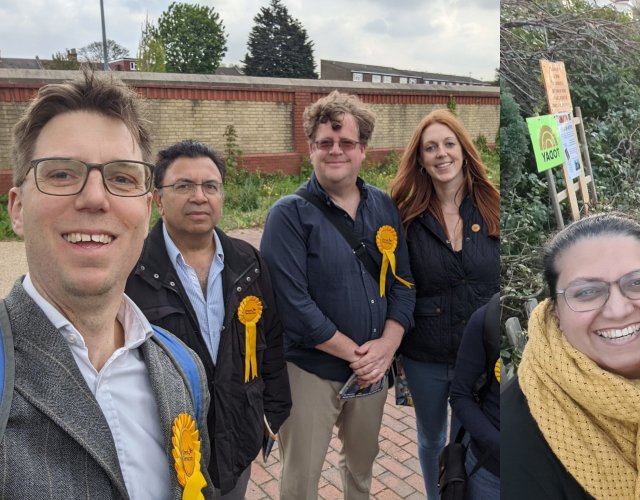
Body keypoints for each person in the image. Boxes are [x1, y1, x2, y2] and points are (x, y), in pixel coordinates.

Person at [2, 72, 212, 498]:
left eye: (122, 177)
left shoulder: (184, 370)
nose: (96, 198)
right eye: (61, 174)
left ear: (147, 210)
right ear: (18, 209)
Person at [478, 213, 640, 500]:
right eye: (587, 292)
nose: (618, 310)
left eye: (638, 282)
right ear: (556, 312)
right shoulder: (517, 434)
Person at [261, 91, 415, 500]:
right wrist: (359, 355)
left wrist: (387, 345)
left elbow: (404, 283)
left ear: (363, 150)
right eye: (325, 143)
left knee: (361, 469)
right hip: (310, 370)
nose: (336, 151)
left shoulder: (383, 206)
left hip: (372, 371)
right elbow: (293, 306)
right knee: (301, 480)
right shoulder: (288, 215)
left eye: (346, 143)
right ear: (310, 148)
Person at [125, 139, 291, 499]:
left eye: (210, 186)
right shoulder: (131, 272)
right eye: (183, 185)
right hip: (164, 454)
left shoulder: (249, 262)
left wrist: (269, 418)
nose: (199, 196)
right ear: (158, 200)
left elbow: (273, 342)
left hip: (237, 445)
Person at [388, 109, 503, 499]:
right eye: (430, 147)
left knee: (470, 435)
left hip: (483, 353)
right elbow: (397, 284)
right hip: (427, 353)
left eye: (448, 144)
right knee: (432, 435)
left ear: (464, 150)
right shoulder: (406, 218)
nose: (441, 154)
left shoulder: (493, 207)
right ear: (420, 158)